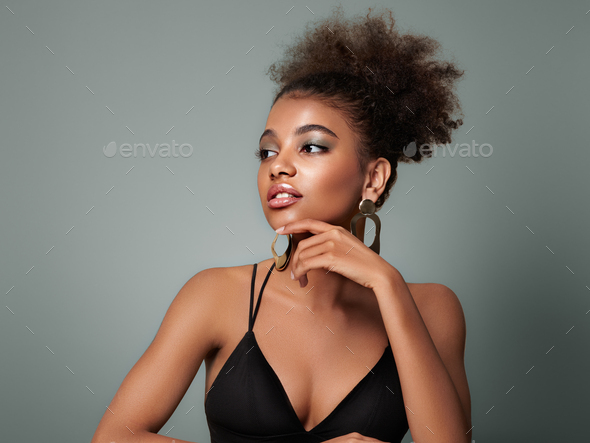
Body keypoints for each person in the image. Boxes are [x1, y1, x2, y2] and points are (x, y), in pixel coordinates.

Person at [91, 6, 471, 443]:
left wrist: (388, 286)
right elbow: (114, 438)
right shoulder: (216, 296)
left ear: (373, 178)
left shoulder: (432, 308)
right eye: (267, 152)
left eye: (310, 147)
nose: (279, 167)